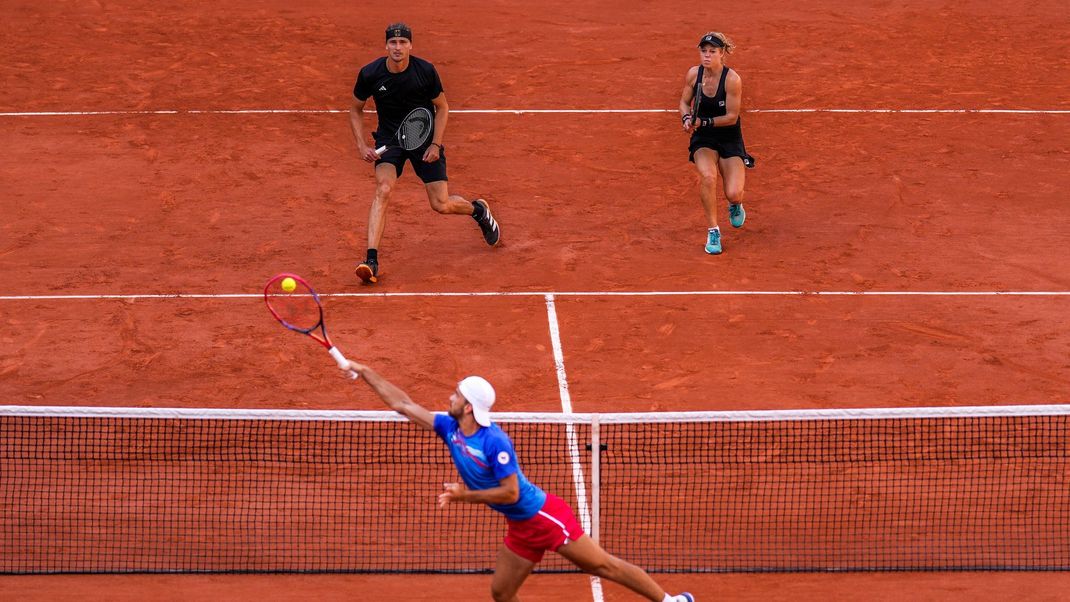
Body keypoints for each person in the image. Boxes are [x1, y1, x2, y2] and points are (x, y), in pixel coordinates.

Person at [341, 359, 696, 602]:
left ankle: (670, 600)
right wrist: (365, 371)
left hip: (544, 516)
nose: (450, 396)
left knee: (603, 565)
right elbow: (402, 404)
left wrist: (463, 496)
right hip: (520, 526)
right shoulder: (449, 427)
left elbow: (510, 492)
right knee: (501, 592)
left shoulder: (494, 442)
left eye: (457, 394)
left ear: (468, 407)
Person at [349, 22, 501, 284]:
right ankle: (371, 260)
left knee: (440, 204)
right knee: (383, 189)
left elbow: (442, 107)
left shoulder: (425, 71)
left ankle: (477, 210)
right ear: (386, 46)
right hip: (390, 139)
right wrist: (362, 145)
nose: (398, 47)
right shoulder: (370, 73)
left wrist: (436, 145)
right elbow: (355, 109)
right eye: (393, 43)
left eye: (403, 43)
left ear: (411, 45)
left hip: (424, 138)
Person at [679, 32, 754, 255]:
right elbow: (684, 102)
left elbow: (731, 116)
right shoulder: (694, 74)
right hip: (704, 138)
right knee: (708, 177)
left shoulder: (732, 80)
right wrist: (685, 118)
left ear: (722, 54)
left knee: (733, 193)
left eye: (712, 51)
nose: (707, 55)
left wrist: (704, 120)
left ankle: (735, 204)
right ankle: (713, 230)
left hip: (729, 136)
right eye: (704, 51)